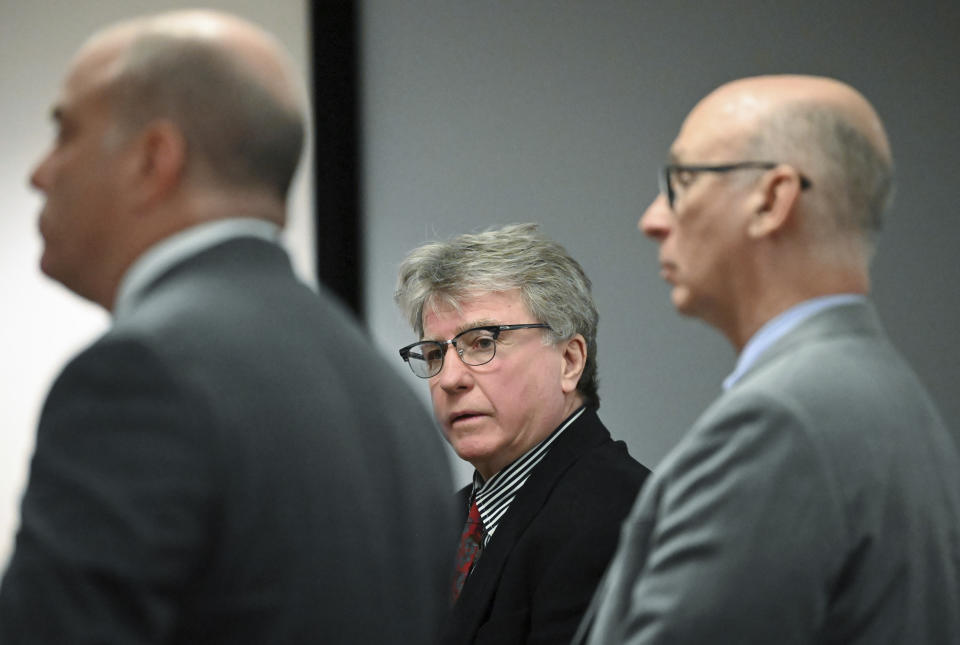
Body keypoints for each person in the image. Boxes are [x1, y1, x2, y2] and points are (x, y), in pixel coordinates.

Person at [0, 10, 455, 644]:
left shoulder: (138, 376)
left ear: (153, 159)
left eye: (65, 132)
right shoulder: (386, 392)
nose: (39, 173)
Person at [577, 75, 960, 644]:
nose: (653, 219)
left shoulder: (783, 423)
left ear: (773, 199)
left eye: (681, 180)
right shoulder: (888, 394)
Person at [394, 223, 650, 644]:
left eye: (482, 342)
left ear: (569, 361)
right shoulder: (440, 528)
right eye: (436, 353)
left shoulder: (618, 516)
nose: (450, 378)